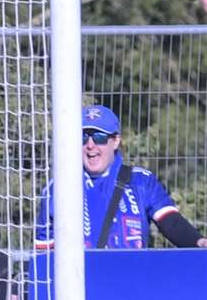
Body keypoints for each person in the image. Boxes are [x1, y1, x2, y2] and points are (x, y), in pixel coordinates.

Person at [32, 104, 207, 249]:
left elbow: (171, 222)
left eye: (99, 137)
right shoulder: (57, 189)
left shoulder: (141, 182)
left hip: (130, 284)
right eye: (83, 137)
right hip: (80, 288)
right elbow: (43, 254)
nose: (90, 145)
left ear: (115, 141)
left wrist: (198, 242)